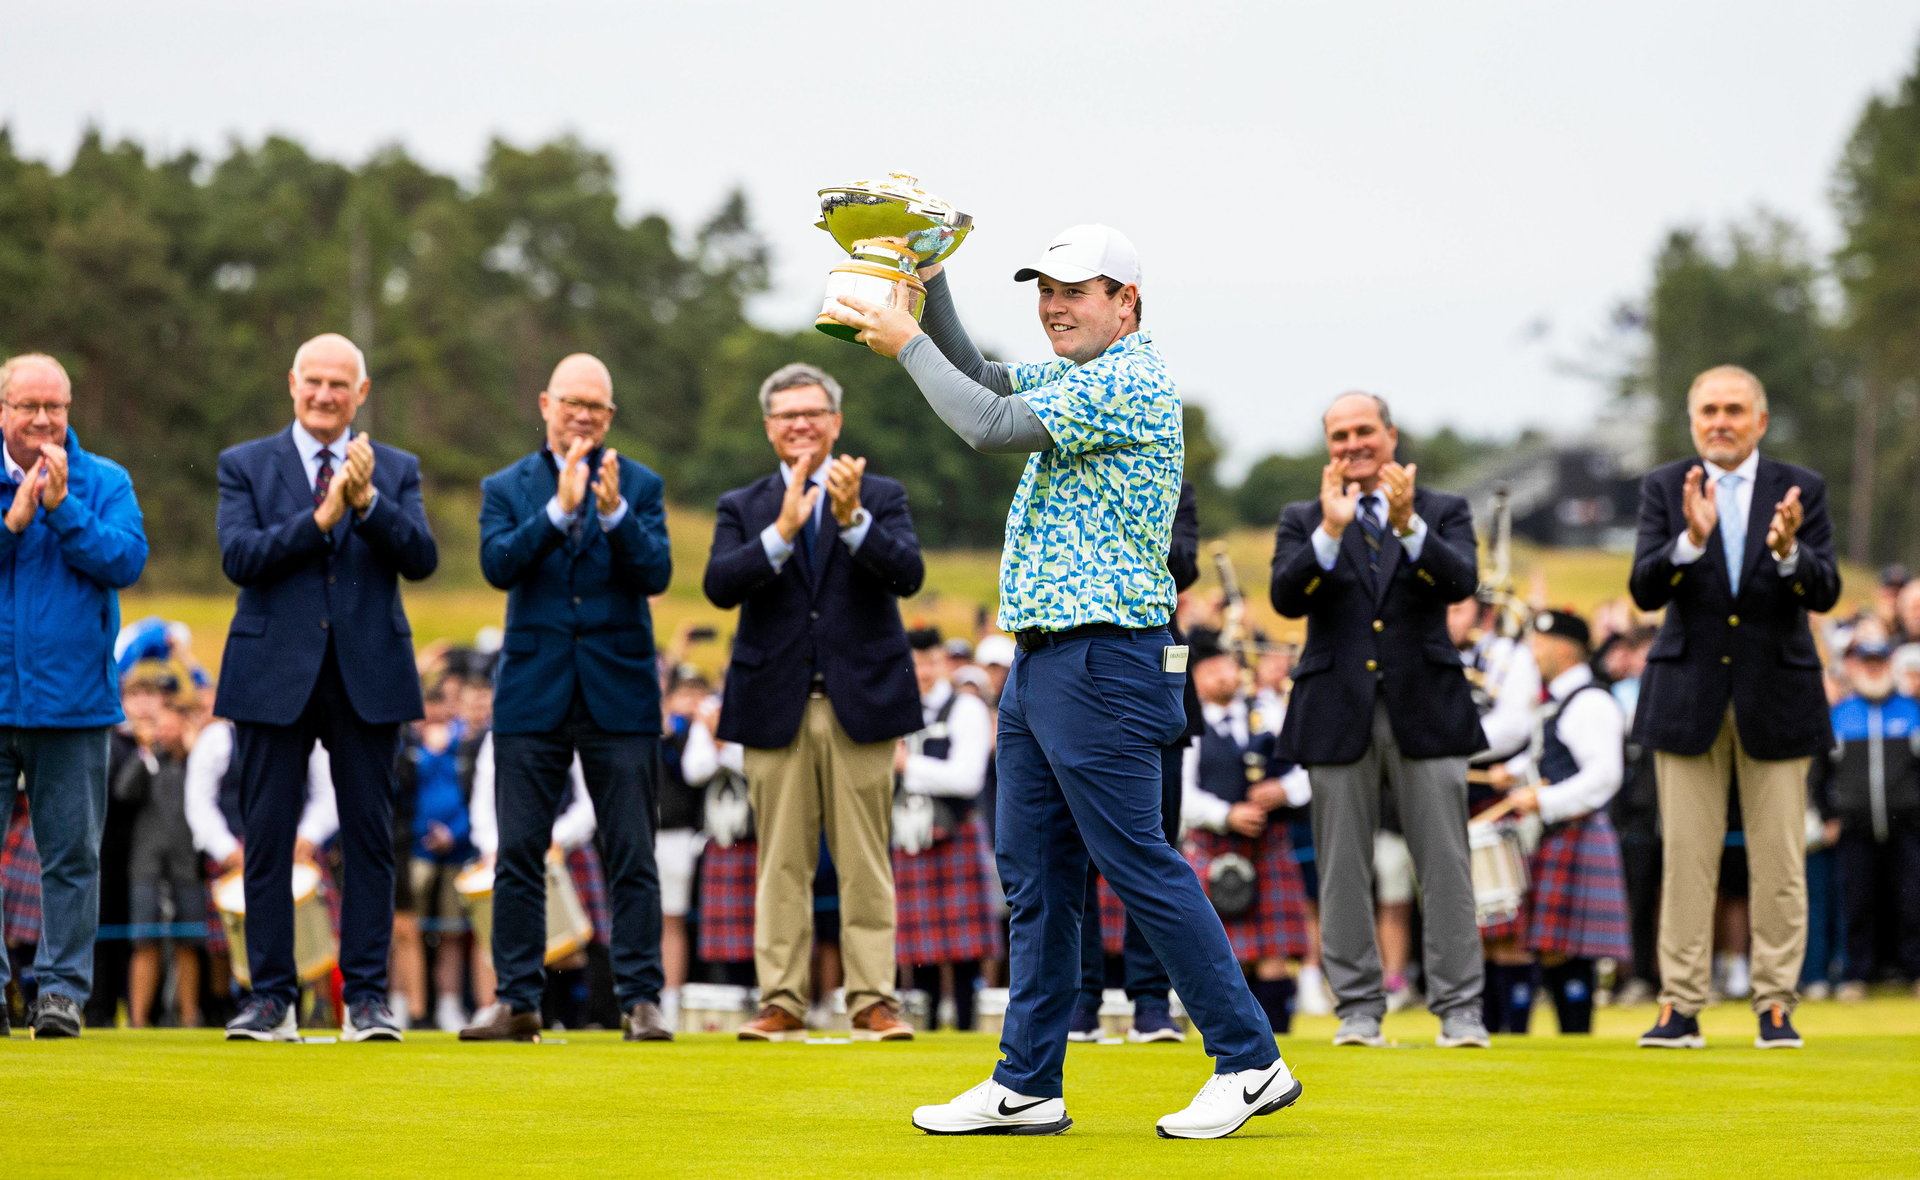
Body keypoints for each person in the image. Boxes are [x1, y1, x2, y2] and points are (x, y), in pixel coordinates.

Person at [829, 223, 1297, 1139]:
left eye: (1077, 290)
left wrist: (903, 340)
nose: (1054, 305)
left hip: (1109, 658)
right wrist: (934, 282)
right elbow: (987, 380)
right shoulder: (1081, 376)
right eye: (1045, 288)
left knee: (1137, 865)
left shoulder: (1129, 379)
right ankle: (1028, 1080)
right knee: (1036, 879)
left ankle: (1249, 1060)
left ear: (1127, 304)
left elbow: (983, 424)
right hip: (1044, 658)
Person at [216, 333, 438, 1041]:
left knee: (371, 841)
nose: (324, 395)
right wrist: (320, 522)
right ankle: (271, 998)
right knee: (268, 840)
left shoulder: (395, 469)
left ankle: (367, 999)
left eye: (339, 385)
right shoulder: (245, 465)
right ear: (291, 382)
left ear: (361, 394)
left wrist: (368, 504)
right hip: (271, 674)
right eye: (313, 381)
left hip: (367, 674)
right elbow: (241, 558)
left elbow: (422, 557)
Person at [703, 362, 924, 1044]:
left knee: (865, 861)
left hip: (863, 703)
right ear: (769, 429)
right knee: (781, 864)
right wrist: (781, 532)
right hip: (775, 704)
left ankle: (872, 1001)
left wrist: (852, 521)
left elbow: (908, 574)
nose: (800, 424)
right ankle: (782, 1001)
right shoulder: (745, 506)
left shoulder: (879, 495)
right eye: (786, 415)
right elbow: (719, 585)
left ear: (836, 421)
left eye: (812, 413)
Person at [461, 354, 674, 1043]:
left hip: (620, 692)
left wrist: (613, 516)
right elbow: (499, 565)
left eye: (596, 406)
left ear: (610, 417)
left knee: (630, 852)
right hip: (532, 690)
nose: (582, 414)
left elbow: (656, 572)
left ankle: (640, 1000)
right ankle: (517, 999)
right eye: (571, 402)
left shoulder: (638, 485)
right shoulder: (507, 487)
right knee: (519, 851)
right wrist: (561, 511)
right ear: (545, 404)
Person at [1269, 391, 1489, 1049]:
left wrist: (1407, 525)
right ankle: (1359, 1010)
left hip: (1428, 709)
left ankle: (1459, 1011)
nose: (1352, 444)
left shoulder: (1441, 509)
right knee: (1341, 868)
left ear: (1390, 435)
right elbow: (1284, 595)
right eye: (1339, 435)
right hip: (1336, 712)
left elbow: (1461, 582)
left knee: (1446, 863)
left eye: (1364, 430)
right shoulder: (1303, 517)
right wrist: (1331, 532)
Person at [1628, 364, 1839, 1050]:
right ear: (1693, 420)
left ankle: (1775, 1003)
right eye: (1709, 410)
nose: (1720, 421)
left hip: (1777, 694)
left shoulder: (1802, 487)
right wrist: (1688, 541)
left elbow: (1827, 589)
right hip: (1687, 695)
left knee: (1780, 861)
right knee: (1686, 858)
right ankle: (1680, 1006)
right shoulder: (1666, 487)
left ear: (1761, 420)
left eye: (1734, 410)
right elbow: (1644, 589)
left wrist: (1787, 552)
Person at [0, 352, 148, 1038]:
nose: (41, 419)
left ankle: (61, 993)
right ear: (2, 411)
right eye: (27, 406)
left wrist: (62, 511)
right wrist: (13, 524)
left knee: (71, 857)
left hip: (74, 705)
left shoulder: (104, 481)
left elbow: (125, 559)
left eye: (53, 407)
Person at [1070, 480, 1202, 1045]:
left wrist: (1120, 508)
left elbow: (1184, 566)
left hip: (1149, 682)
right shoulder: (1060, 472)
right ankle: (1082, 1000)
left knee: (1151, 849)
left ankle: (1151, 1000)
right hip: (1072, 680)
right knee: (1073, 851)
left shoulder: (1171, 484)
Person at [1492, 610, 1633, 1033]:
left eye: (1538, 644)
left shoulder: (1590, 701)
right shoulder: (1559, 703)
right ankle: (1569, 1034)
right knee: (1553, 947)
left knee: (1570, 948)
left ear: (1564, 649)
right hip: (1559, 832)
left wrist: (1543, 799)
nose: (1532, 654)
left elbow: (1604, 775)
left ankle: (1578, 1035)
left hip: (1578, 830)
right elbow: (1551, 757)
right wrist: (1516, 772)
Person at [1176, 631, 1313, 1035]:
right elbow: (1180, 793)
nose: (1221, 676)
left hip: (1269, 846)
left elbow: (1308, 769)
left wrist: (1282, 790)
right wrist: (1227, 814)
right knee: (1228, 955)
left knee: (1275, 953)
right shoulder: (1189, 724)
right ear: (1195, 679)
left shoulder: (1269, 713)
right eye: (1210, 670)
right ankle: (1238, 1040)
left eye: (1226, 667)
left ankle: (1280, 1042)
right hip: (1215, 846)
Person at [892, 628, 999, 1031]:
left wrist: (907, 768)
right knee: (920, 946)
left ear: (942, 663)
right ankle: (929, 1022)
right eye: (914, 662)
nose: (921, 671)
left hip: (955, 831)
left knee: (965, 945)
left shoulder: (965, 708)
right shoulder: (894, 706)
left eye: (930, 661)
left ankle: (968, 1024)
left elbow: (967, 778)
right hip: (909, 833)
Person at [1813, 635, 1920, 999]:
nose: (1873, 668)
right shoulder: (1840, 714)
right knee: (1856, 901)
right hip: (1855, 825)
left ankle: (1913, 969)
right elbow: (1819, 773)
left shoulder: (1911, 711)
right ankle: (1856, 973)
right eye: (1867, 661)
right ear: (1857, 666)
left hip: (1906, 825)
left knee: (1911, 899)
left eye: (1879, 661)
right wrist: (1828, 815)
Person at [116, 690, 205, 1027]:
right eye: (161, 727)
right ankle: (137, 1021)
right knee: (144, 942)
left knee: (189, 943)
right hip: (146, 864)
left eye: (172, 727)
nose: (166, 733)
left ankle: (189, 1017)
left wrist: (194, 749)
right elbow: (124, 791)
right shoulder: (147, 760)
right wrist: (147, 752)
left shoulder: (195, 763)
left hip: (186, 864)